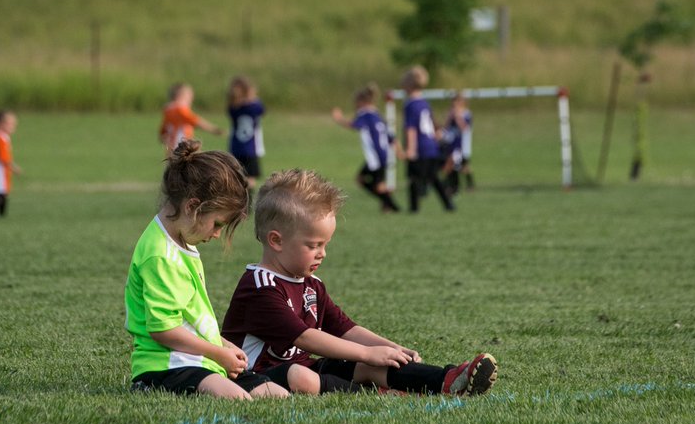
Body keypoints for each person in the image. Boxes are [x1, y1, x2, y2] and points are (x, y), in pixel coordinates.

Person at [221, 169, 497, 396]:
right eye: (314, 245)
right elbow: (305, 337)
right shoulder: (260, 286)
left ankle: (447, 380)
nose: (323, 253)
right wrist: (367, 352)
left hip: (306, 367)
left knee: (368, 364)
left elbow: (344, 328)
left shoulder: (311, 283)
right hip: (257, 376)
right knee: (302, 376)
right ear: (276, 240)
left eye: (325, 244)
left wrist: (390, 348)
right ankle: (378, 392)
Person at [125, 140, 289, 400]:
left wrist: (223, 345)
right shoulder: (160, 255)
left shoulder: (181, 239)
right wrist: (217, 353)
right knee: (239, 399)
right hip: (167, 367)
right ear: (193, 207)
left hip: (199, 361)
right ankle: (148, 385)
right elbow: (163, 330)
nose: (216, 234)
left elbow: (189, 319)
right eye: (217, 224)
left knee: (278, 396)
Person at [331, 83, 400, 213]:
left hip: (375, 156)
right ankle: (387, 204)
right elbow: (390, 136)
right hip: (384, 154)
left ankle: (392, 206)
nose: (355, 106)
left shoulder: (364, 114)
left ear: (361, 102)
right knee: (376, 183)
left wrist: (339, 119)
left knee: (365, 181)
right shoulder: (376, 114)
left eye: (356, 103)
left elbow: (354, 125)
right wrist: (399, 150)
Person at [400, 65, 454, 212]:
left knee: (414, 178)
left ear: (409, 84)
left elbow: (411, 128)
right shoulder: (425, 102)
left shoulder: (410, 104)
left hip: (420, 146)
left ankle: (413, 208)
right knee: (433, 177)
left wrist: (410, 149)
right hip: (431, 145)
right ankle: (449, 205)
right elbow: (432, 123)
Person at [160, 83, 223, 153]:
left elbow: (163, 131)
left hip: (172, 146)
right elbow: (197, 121)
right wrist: (215, 130)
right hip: (181, 146)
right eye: (189, 95)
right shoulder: (180, 109)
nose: (192, 98)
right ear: (180, 96)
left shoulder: (168, 110)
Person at [227, 76, 265, 190]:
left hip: (235, 147)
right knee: (250, 178)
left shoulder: (233, 108)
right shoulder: (253, 107)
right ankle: (248, 201)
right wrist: (251, 97)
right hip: (251, 148)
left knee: (237, 176)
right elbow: (262, 109)